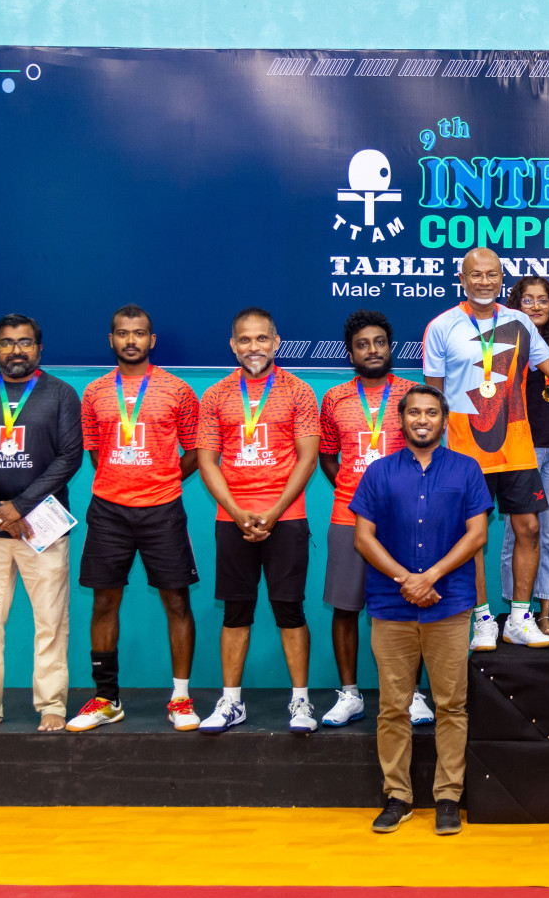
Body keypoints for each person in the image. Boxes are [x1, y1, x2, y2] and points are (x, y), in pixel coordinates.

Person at [352, 384, 493, 835]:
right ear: (402, 418)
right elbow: (363, 538)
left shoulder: (467, 470)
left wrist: (428, 577)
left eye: (431, 413)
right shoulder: (378, 473)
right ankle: (397, 796)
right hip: (391, 606)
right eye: (414, 412)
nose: (422, 420)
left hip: (448, 604)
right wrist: (406, 580)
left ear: (443, 419)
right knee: (393, 707)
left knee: (452, 704)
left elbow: (477, 536)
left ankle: (448, 796)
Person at [422, 247, 549, 649]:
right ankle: (483, 620)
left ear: (500, 279)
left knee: (528, 528)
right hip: (464, 451)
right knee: (473, 536)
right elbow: (433, 400)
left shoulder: (520, 321)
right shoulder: (442, 326)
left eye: (492, 274)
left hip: (516, 446)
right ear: (462, 279)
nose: (484, 281)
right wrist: (436, 456)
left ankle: (520, 618)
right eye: (476, 275)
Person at [68, 304, 202, 732]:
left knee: (177, 601)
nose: (131, 340)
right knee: (105, 601)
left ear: (152, 340)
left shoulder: (178, 390)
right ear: (112, 340)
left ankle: (180, 698)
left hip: (162, 508)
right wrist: (121, 479)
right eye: (123, 333)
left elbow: (195, 451)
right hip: (108, 509)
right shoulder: (93, 393)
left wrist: (160, 479)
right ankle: (107, 698)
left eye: (139, 333)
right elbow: (95, 451)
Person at [0, 314, 82, 733]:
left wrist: (20, 506)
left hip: (42, 526)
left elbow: (69, 457)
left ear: (39, 349)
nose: (16, 351)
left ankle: (52, 706)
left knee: (50, 621)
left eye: (25, 343)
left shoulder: (60, 395)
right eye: (6, 343)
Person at [196, 307, 321, 735]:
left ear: (276, 342)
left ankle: (300, 702)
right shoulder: (214, 395)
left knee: (289, 608)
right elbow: (207, 461)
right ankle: (232, 703)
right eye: (245, 340)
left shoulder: (299, 391)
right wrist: (235, 511)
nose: (254, 347)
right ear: (233, 345)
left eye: (262, 339)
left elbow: (307, 458)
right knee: (236, 611)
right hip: (232, 518)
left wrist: (273, 511)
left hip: (286, 517)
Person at [317, 309, 412, 727]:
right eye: (362, 344)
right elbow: (326, 455)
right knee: (345, 607)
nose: (372, 350)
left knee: (408, 607)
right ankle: (350, 693)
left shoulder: (411, 393)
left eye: (379, 342)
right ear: (350, 352)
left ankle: (410, 695)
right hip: (349, 516)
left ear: (390, 347)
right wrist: (359, 495)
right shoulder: (335, 398)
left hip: (407, 517)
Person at [502, 277, 549, 640]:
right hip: (520, 448)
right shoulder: (511, 341)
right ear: (514, 305)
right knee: (516, 536)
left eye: (543, 299)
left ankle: (545, 613)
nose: (535, 306)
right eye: (527, 300)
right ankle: (517, 614)